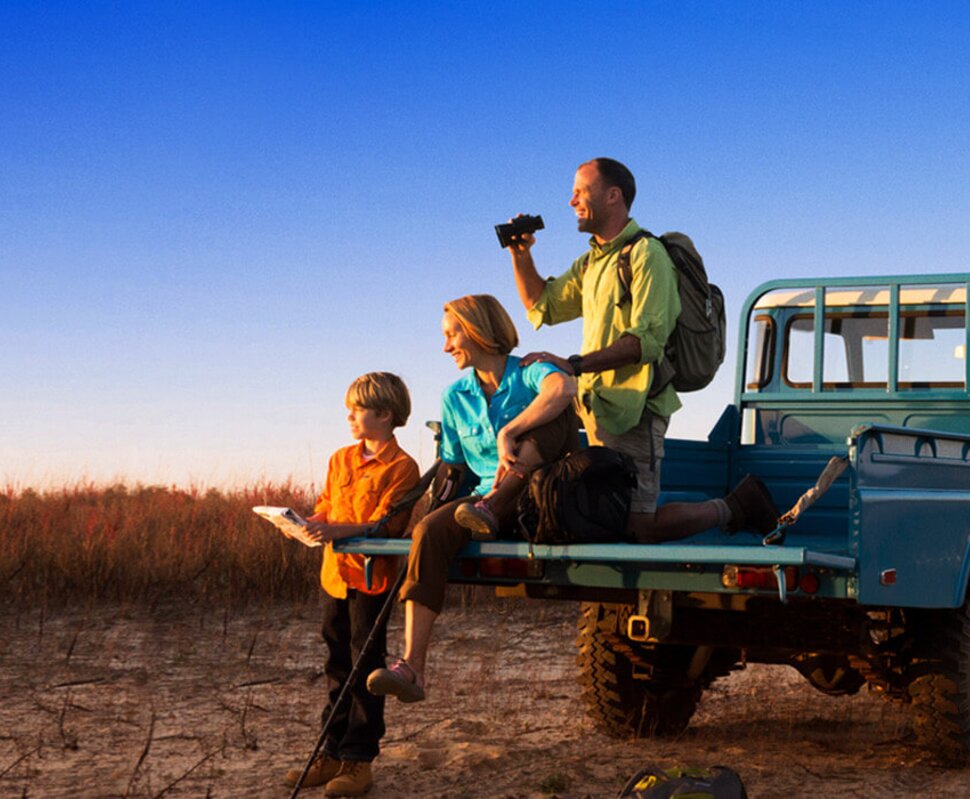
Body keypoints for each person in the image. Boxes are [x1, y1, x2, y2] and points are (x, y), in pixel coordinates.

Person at [505, 157, 777, 543]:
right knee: (593, 501)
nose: (571, 201)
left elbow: (645, 342)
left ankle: (735, 507)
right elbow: (542, 305)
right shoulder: (592, 263)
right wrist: (521, 254)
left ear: (613, 196)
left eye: (580, 191)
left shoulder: (647, 255)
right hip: (594, 406)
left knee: (637, 526)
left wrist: (573, 364)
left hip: (635, 410)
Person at [366, 294, 577, 703]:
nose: (446, 347)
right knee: (429, 531)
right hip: (476, 505)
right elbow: (453, 471)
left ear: (479, 329)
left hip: (539, 499)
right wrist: (426, 516)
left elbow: (563, 387)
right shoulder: (453, 396)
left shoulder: (529, 372)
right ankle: (412, 668)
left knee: (550, 419)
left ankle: (494, 505)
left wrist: (508, 431)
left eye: (452, 335)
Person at [281, 372, 420, 796]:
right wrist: (305, 525)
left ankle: (360, 761)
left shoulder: (403, 467)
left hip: (371, 580)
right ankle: (332, 752)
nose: (349, 416)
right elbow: (326, 507)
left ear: (385, 414)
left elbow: (386, 526)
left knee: (365, 666)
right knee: (336, 665)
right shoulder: (340, 458)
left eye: (357, 409)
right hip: (334, 577)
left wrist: (341, 530)